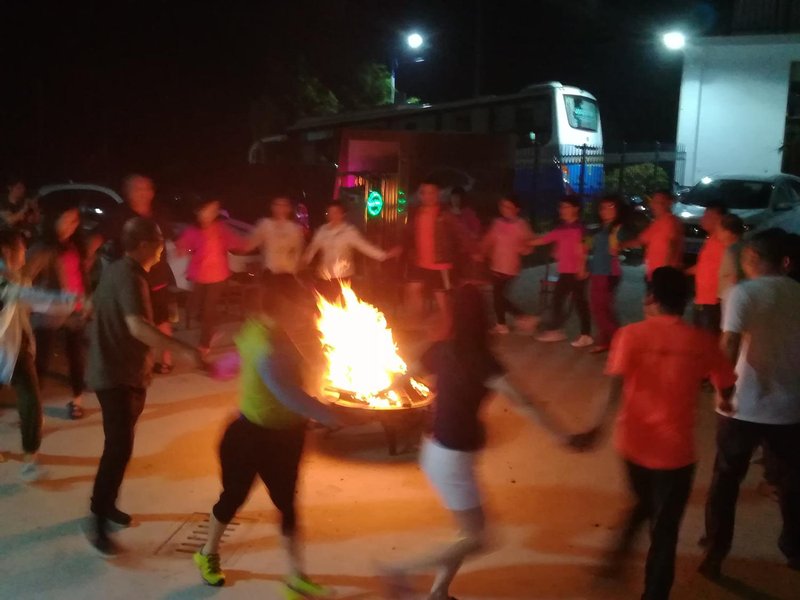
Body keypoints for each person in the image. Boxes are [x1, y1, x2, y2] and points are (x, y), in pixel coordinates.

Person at [380, 284, 570, 600]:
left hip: (436, 449)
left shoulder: (442, 349)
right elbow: (525, 403)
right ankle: (402, 569)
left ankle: (439, 592)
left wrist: (415, 389)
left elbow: (402, 376)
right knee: (479, 537)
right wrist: (562, 435)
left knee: (466, 532)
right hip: (451, 458)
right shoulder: (483, 361)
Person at [574, 267, 736, 600]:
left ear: (651, 298)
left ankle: (617, 555)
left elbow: (613, 386)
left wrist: (597, 426)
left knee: (644, 500)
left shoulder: (630, 335)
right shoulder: (701, 341)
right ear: (686, 300)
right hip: (676, 453)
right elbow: (726, 382)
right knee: (664, 531)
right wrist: (725, 400)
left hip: (633, 445)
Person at [193, 312, 341, 597]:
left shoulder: (264, 330)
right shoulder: (267, 345)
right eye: (299, 308)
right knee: (233, 498)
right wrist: (329, 415)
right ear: (280, 308)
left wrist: (218, 368)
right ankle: (207, 553)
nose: (307, 314)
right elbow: (286, 392)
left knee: (287, 505)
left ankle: (296, 578)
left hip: (287, 436)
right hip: (250, 436)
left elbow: (238, 359)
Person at [85, 217, 204, 555]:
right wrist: (184, 350)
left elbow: (97, 308)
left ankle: (105, 505)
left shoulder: (120, 270)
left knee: (120, 446)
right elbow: (137, 326)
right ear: (143, 245)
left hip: (124, 372)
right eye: (158, 242)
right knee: (118, 448)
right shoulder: (130, 276)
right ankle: (97, 519)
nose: (162, 249)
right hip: (116, 376)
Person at [700, 229, 800, 580]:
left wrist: (724, 390)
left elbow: (728, 343)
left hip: (743, 404)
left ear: (751, 258)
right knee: (791, 483)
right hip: (789, 408)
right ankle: (794, 549)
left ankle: (715, 551)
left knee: (726, 480)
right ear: (785, 262)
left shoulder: (743, 292)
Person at [0, 230, 77, 480]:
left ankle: (30, 457)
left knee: (30, 399)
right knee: (30, 399)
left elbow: (29, 301)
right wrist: (72, 300)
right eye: (22, 248)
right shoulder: (6, 281)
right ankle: (29, 459)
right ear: (8, 251)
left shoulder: (15, 278)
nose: (25, 252)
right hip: (8, 349)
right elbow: (30, 298)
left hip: (15, 346)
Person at [26, 204, 96, 419]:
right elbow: (25, 277)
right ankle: (32, 406)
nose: (71, 225)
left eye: (74, 220)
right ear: (53, 220)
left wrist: (86, 300)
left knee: (76, 357)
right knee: (41, 360)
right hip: (51, 312)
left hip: (75, 310)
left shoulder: (75, 246)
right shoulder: (43, 248)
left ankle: (76, 400)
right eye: (66, 219)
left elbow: (81, 276)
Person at [103, 174, 178, 373]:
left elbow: (171, 237)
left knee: (161, 319)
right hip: (130, 279)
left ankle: (165, 360)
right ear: (127, 192)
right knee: (133, 319)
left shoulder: (159, 213)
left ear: (152, 192)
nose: (142, 193)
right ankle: (137, 360)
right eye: (136, 188)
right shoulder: (120, 215)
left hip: (157, 277)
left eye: (145, 188)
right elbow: (100, 236)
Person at [176, 198, 245, 353]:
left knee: (209, 309)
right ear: (199, 212)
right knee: (194, 308)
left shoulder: (220, 229)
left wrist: (248, 243)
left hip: (218, 276)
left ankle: (204, 343)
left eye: (214, 211)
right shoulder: (193, 231)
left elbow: (237, 242)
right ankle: (209, 324)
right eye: (208, 210)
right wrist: (181, 249)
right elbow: (182, 244)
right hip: (199, 276)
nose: (211, 214)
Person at [302, 200, 401, 300]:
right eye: (330, 213)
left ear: (342, 214)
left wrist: (384, 255)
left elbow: (365, 246)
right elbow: (312, 249)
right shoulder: (322, 231)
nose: (333, 216)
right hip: (324, 277)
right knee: (324, 305)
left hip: (343, 277)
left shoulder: (349, 231)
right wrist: (304, 262)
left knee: (342, 305)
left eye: (336, 212)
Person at [531, 195, 593, 348]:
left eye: (566, 207)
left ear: (576, 209)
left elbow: (585, 248)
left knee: (579, 303)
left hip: (577, 272)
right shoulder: (561, 228)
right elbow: (544, 239)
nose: (562, 210)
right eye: (561, 207)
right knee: (558, 300)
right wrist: (524, 242)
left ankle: (585, 335)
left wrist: (582, 267)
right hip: (566, 271)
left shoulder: (581, 228)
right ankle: (556, 330)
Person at [404, 180, 462, 336]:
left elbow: (460, 233)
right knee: (413, 289)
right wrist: (403, 248)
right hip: (419, 261)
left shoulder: (445, 214)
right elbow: (409, 233)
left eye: (431, 192)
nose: (428, 196)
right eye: (424, 193)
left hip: (440, 263)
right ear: (420, 195)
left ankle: (449, 328)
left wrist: (474, 250)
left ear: (437, 194)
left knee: (442, 296)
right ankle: (415, 324)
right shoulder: (416, 212)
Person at [477, 193, 536, 334]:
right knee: (498, 295)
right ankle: (503, 323)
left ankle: (516, 318)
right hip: (496, 265)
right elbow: (489, 239)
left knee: (498, 295)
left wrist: (524, 249)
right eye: (503, 206)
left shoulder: (521, 225)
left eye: (509, 207)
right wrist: (481, 251)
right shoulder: (497, 223)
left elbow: (530, 244)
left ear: (517, 209)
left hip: (510, 267)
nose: (505, 209)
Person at [246, 196, 306, 314]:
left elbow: (299, 252)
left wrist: (299, 266)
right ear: (272, 207)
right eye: (277, 205)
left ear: (289, 209)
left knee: (291, 309)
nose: (280, 208)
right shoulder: (265, 225)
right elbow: (250, 244)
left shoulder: (294, 229)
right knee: (272, 308)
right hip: (270, 273)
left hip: (288, 274)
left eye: (284, 205)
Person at [587, 195, 623, 353]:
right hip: (599, 272)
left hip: (607, 273)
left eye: (611, 207)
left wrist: (617, 247)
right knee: (603, 309)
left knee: (600, 309)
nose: (606, 211)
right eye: (603, 207)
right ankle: (607, 339)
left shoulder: (617, 228)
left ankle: (617, 342)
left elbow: (617, 246)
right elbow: (591, 246)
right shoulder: (602, 228)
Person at [685, 202, 727, 332]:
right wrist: (683, 272)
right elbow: (705, 266)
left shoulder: (723, 242)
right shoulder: (712, 240)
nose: (703, 219)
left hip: (713, 300)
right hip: (703, 298)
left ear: (720, 219)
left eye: (708, 216)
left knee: (707, 336)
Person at [623, 190, 684, 279]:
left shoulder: (671, 223)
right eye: (653, 202)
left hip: (664, 276)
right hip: (655, 273)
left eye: (657, 202)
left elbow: (671, 247)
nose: (652, 205)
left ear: (668, 203)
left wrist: (665, 272)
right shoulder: (657, 223)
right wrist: (620, 245)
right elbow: (641, 240)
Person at [716, 214, 746, 307]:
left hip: (731, 298)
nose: (717, 233)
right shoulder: (745, 247)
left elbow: (734, 276)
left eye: (720, 230)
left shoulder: (732, 251)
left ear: (729, 232)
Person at [0, 176, 38, 241]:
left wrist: (35, 209)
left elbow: (35, 221)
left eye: (23, 188)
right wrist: (24, 209)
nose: (22, 190)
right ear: (10, 188)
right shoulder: (2, 202)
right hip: (7, 238)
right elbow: (9, 220)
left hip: (26, 237)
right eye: (18, 188)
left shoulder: (24, 201)